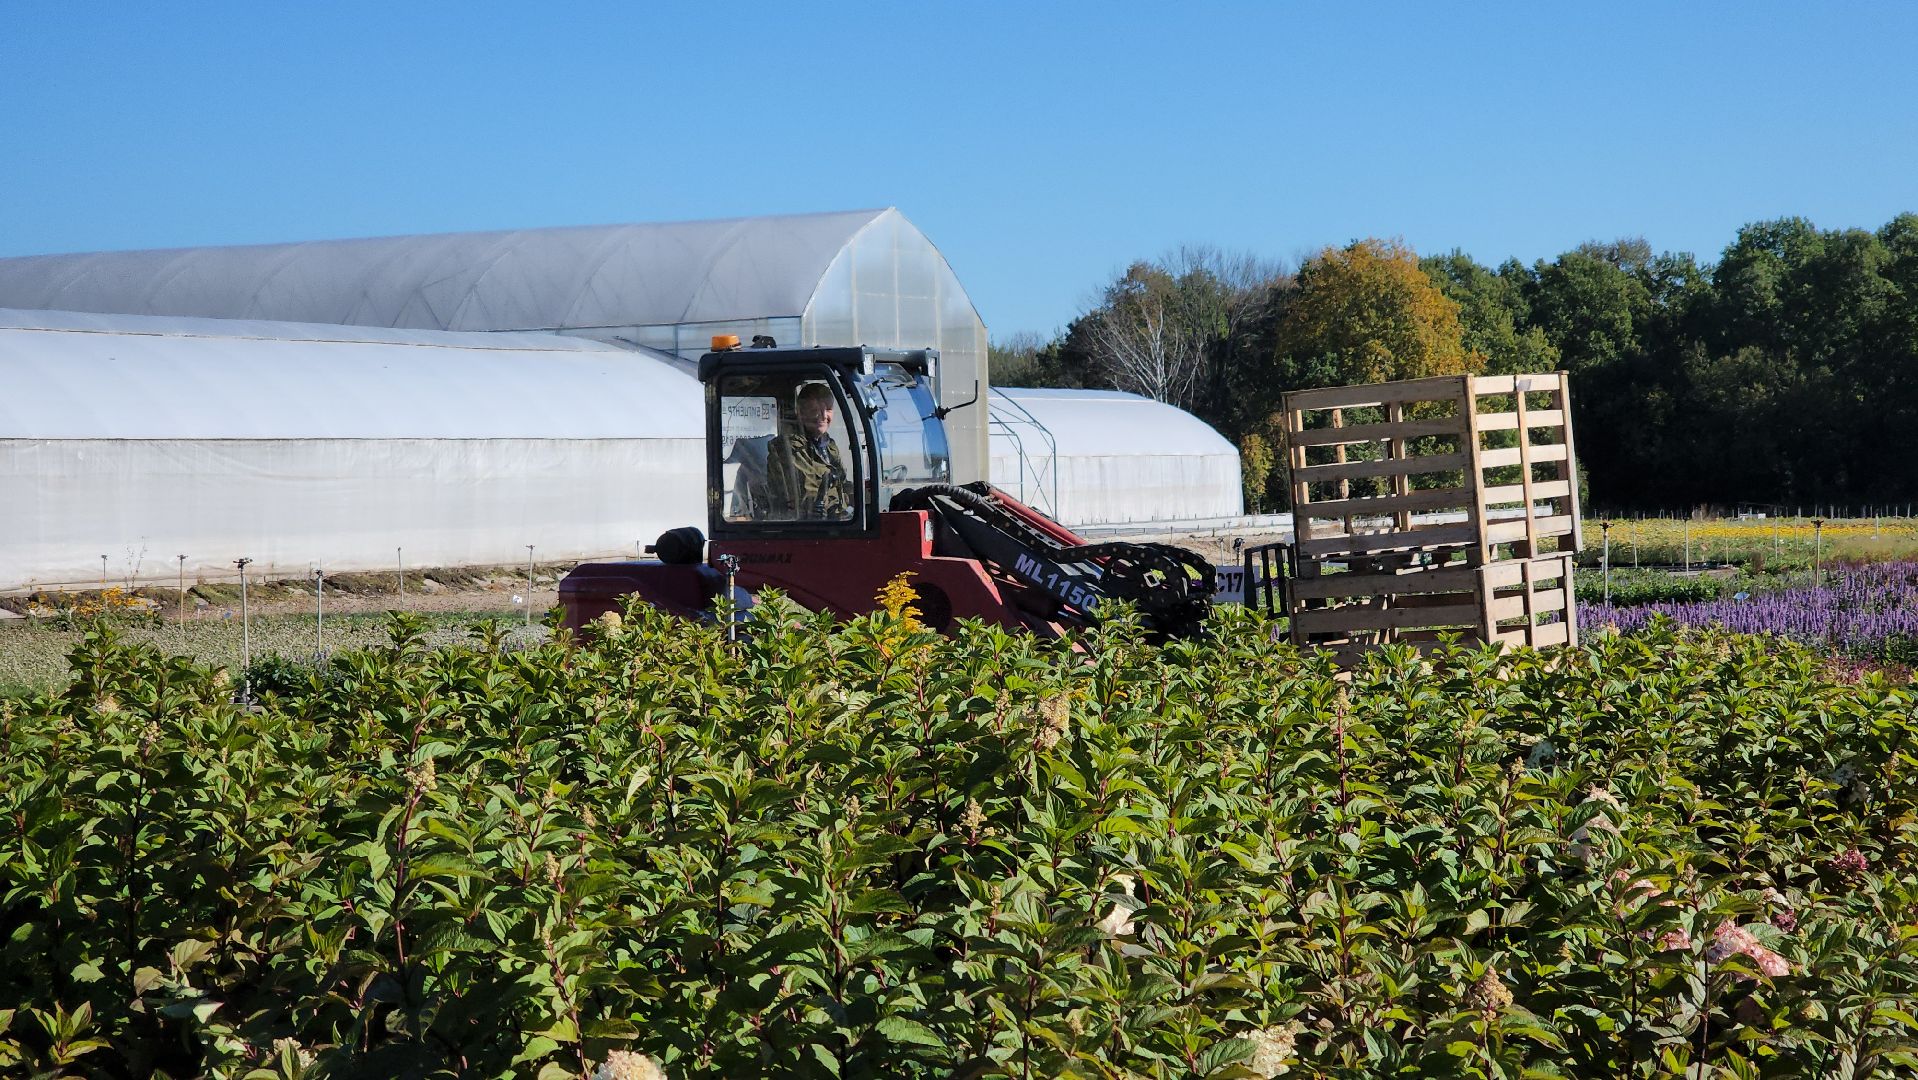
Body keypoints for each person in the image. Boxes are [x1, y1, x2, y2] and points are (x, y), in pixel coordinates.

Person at [764, 383, 850, 520]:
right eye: (814, 409)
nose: (823, 416)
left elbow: (842, 483)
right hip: (801, 527)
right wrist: (838, 504)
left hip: (832, 521)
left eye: (828, 409)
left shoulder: (828, 446)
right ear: (800, 412)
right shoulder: (789, 447)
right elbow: (808, 497)